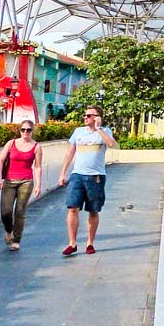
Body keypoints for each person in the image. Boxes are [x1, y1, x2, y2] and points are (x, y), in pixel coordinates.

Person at [58, 105, 117, 257]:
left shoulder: (104, 131)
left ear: (98, 117)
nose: (86, 117)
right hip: (77, 175)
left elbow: (111, 144)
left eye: (90, 115)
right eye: (85, 115)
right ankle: (72, 243)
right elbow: (69, 154)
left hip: (96, 176)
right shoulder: (78, 132)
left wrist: (99, 129)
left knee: (93, 210)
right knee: (72, 208)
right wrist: (63, 173)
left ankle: (90, 242)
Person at [0, 120, 42, 251]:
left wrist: (38, 184)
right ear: (19, 130)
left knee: (20, 211)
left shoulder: (36, 147)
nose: (25, 132)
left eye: (28, 130)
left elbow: (37, 167)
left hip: (26, 181)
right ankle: (9, 231)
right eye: (23, 129)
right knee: (6, 213)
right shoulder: (11, 143)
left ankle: (16, 240)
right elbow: (0, 160)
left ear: (32, 131)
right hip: (9, 181)